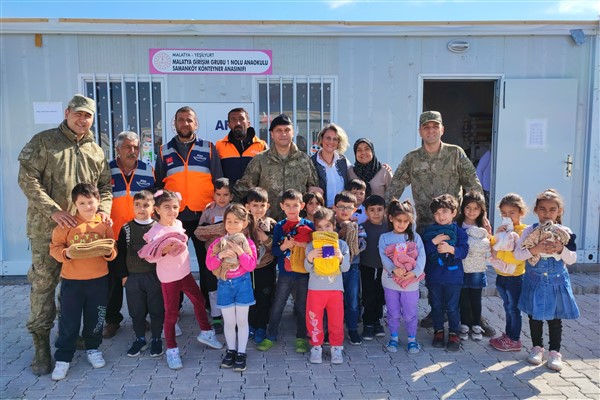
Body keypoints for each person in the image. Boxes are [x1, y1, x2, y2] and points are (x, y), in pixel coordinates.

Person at [18, 94, 113, 376]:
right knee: (44, 287)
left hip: (84, 236)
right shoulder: (44, 141)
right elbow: (27, 178)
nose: (82, 120)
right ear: (67, 112)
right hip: (47, 231)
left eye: (88, 116)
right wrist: (53, 211)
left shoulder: (96, 150)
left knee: (74, 290)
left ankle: (69, 338)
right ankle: (41, 347)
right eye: (78, 114)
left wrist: (104, 210)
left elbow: (105, 186)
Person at [385, 111, 490, 334]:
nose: (430, 131)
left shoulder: (455, 154)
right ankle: (437, 311)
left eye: (435, 127)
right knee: (433, 271)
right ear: (420, 131)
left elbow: (473, 184)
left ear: (441, 129)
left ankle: (471, 316)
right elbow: (396, 185)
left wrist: (481, 216)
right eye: (426, 127)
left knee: (463, 269)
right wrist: (389, 213)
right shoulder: (412, 158)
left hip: (454, 225)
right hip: (426, 224)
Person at [154, 106, 224, 329]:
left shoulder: (209, 148)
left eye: (189, 120)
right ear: (174, 123)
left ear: (196, 124)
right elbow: (159, 185)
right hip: (176, 218)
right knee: (172, 263)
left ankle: (211, 308)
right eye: (181, 120)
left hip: (203, 216)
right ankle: (175, 309)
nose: (185, 124)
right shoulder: (164, 151)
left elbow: (219, 181)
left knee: (209, 263)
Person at [138, 190, 223, 370]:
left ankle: (206, 332)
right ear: (157, 210)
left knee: (199, 300)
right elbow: (150, 256)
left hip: (185, 273)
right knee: (171, 314)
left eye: (175, 207)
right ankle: (171, 349)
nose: (172, 211)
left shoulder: (178, 223)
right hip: (169, 278)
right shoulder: (154, 231)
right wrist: (164, 250)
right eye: (167, 207)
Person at [49, 183, 117, 381]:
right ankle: (63, 358)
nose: (88, 206)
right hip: (72, 282)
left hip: (98, 281)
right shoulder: (66, 225)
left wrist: (109, 253)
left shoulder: (104, 224)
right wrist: (66, 253)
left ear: (98, 201)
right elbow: (54, 248)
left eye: (91, 202)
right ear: (75, 204)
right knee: (68, 320)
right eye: (82, 203)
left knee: (95, 318)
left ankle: (93, 348)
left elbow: (112, 248)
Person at [514, 189, 579, 371]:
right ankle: (537, 348)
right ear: (536, 210)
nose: (547, 213)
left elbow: (572, 258)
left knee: (554, 318)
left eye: (552, 209)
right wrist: (536, 249)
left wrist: (560, 249)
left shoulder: (565, 233)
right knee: (535, 316)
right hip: (534, 281)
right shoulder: (529, 231)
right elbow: (518, 255)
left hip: (556, 282)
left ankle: (555, 352)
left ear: (559, 211)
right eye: (542, 209)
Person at [104, 131, 156, 339]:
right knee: (113, 283)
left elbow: (154, 202)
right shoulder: (105, 170)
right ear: (118, 149)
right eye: (127, 147)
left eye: (136, 147)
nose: (133, 151)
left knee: (139, 281)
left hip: (139, 236)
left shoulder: (148, 170)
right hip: (112, 235)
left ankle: (139, 318)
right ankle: (112, 320)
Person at [256, 189, 314, 353]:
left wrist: (304, 245)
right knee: (277, 305)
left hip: (303, 274)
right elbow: (274, 251)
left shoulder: (310, 225)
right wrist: (284, 246)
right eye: (287, 205)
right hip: (285, 274)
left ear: (302, 206)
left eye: (295, 205)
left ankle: (301, 337)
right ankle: (271, 335)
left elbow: (315, 248)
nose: (291, 209)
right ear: (282, 206)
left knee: (302, 307)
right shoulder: (280, 226)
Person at [233, 114, 319, 221]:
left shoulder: (304, 160)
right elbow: (244, 187)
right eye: (278, 130)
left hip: (297, 224)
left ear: (293, 133)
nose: (283, 134)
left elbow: (314, 191)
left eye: (287, 130)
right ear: (272, 134)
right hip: (266, 223)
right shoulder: (260, 159)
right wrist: (224, 204)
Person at [206, 204, 258, 372]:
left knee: (242, 321)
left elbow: (250, 266)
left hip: (243, 285)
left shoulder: (248, 243)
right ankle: (231, 351)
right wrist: (220, 255)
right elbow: (209, 264)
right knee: (229, 323)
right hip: (224, 286)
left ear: (244, 223)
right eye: (229, 221)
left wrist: (240, 252)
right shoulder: (218, 243)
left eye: (237, 221)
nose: (232, 225)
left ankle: (241, 353)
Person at [115, 190, 164, 358]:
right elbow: (120, 253)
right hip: (133, 277)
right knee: (136, 310)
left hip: (154, 276)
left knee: (157, 309)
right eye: (137, 205)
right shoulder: (126, 229)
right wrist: (123, 276)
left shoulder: (158, 227)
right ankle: (140, 338)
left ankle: (157, 339)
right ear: (133, 207)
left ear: (153, 208)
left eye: (145, 205)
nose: (141, 209)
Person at [422, 194, 469, 352]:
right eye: (436, 213)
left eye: (444, 212)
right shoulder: (429, 232)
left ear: (453, 213)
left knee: (452, 307)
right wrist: (433, 243)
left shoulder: (459, 232)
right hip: (434, 277)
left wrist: (451, 249)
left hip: (453, 278)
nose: (440, 216)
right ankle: (439, 331)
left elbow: (464, 251)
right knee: (436, 306)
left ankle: (454, 333)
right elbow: (422, 252)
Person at [304, 208, 351, 364]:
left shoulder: (342, 245)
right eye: (319, 227)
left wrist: (340, 258)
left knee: (336, 320)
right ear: (315, 228)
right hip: (315, 289)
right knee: (314, 319)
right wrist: (310, 258)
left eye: (328, 226)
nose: (324, 230)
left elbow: (346, 268)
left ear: (334, 225)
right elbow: (307, 268)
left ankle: (336, 348)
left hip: (335, 289)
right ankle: (316, 346)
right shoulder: (311, 245)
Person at [378, 199, 425, 354]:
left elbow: (422, 257)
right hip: (390, 283)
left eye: (406, 221)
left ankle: (412, 339)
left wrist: (415, 272)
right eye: (399, 220)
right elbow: (383, 257)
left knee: (410, 312)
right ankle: (394, 338)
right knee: (393, 312)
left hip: (411, 283)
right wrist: (393, 269)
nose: (402, 224)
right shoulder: (384, 237)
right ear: (391, 218)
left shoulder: (415, 238)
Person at [489, 193, 528, 352]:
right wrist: (497, 235)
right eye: (504, 213)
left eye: (512, 212)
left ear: (521, 213)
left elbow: (517, 256)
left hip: (515, 278)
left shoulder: (524, 231)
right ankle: (508, 335)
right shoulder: (504, 230)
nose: (508, 216)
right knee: (507, 307)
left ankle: (514, 339)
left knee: (514, 308)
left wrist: (500, 252)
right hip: (502, 276)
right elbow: (493, 247)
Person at [456, 191, 492, 342]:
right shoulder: (457, 224)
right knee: (463, 297)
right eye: (468, 208)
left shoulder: (483, 225)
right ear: (463, 208)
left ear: (481, 210)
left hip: (477, 268)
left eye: (476, 208)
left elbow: (489, 244)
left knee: (476, 298)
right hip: (461, 267)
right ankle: (464, 324)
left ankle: (476, 324)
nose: (471, 212)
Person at [244, 187, 277, 345]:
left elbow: (276, 248)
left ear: (267, 206)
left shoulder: (271, 225)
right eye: (254, 205)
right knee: (248, 298)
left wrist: (264, 237)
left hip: (265, 267)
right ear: (247, 206)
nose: (258, 209)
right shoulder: (242, 225)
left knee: (264, 297)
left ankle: (261, 326)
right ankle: (249, 324)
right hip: (246, 269)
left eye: (262, 205)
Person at [333, 191, 366, 346]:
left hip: (352, 267)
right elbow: (327, 245)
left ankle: (352, 329)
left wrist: (351, 233)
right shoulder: (329, 225)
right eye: (341, 207)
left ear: (354, 209)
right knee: (334, 301)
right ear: (334, 208)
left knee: (352, 300)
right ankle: (332, 330)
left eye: (348, 208)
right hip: (333, 269)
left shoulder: (357, 226)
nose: (344, 211)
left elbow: (362, 245)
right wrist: (340, 233)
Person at [359, 195, 388, 341]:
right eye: (372, 210)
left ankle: (377, 321)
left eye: (379, 210)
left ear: (385, 211)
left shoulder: (389, 227)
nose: (376, 213)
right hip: (366, 266)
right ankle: (368, 323)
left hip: (385, 268)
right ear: (366, 212)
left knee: (380, 294)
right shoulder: (362, 227)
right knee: (368, 294)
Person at [216, 107, 267, 186]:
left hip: (254, 197)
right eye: (233, 119)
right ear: (228, 125)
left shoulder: (261, 145)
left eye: (241, 119)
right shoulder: (219, 146)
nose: (238, 123)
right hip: (230, 197)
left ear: (248, 123)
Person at [310, 123, 351, 207]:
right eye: (328, 138)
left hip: (342, 211)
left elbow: (355, 174)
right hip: (321, 212)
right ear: (321, 139)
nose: (331, 142)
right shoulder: (311, 162)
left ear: (339, 142)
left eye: (335, 139)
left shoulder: (343, 160)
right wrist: (309, 189)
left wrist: (383, 168)